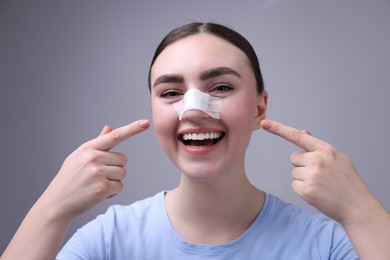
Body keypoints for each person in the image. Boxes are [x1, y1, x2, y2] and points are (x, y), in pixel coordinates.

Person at [2, 22, 390, 260]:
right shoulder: (109, 240)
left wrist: (361, 210)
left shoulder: (322, 246)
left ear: (259, 108)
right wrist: (52, 207)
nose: (192, 110)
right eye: (170, 92)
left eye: (220, 87)